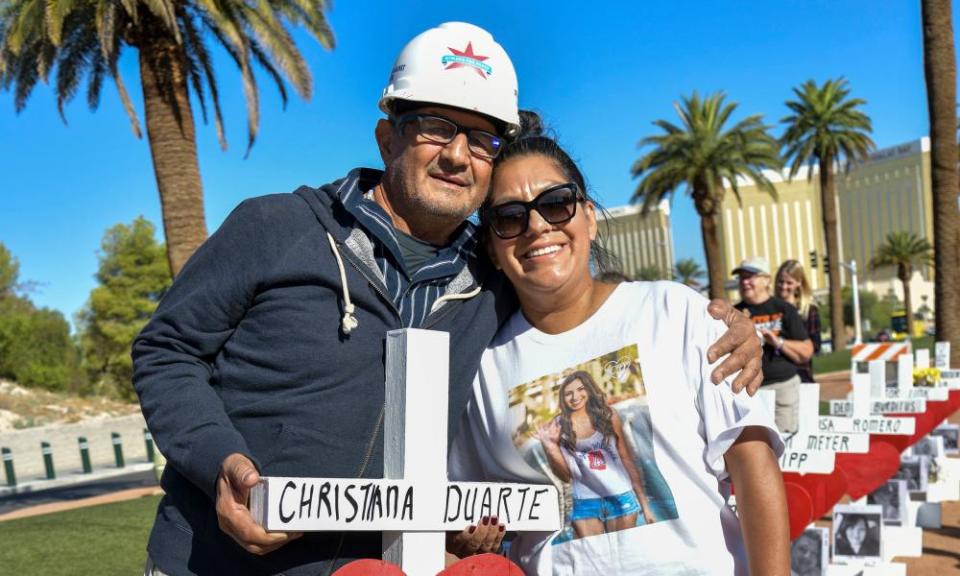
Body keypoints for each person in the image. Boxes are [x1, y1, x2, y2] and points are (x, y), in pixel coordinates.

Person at [133, 23, 765, 576]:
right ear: (387, 138)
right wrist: (221, 465)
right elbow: (166, 351)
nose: (459, 154)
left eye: (483, 138)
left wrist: (723, 324)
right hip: (211, 562)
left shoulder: (491, 281)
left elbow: (580, 309)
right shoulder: (276, 228)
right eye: (436, 128)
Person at [449, 131, 790, 575]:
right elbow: (463, 509)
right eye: (509, 217)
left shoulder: (674, 310)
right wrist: (467, 534)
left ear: (589, 217)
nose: (536, 227)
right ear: (493, 249)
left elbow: (751, 461)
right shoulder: (483, 367)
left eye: (555, 204)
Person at [535, 371, 655, 539]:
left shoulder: (608, 415)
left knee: (624, 556)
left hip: (620, 495)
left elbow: (626, 458)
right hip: (585, 501)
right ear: (563, 398)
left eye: (580, 389)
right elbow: (566, 476)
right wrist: (551, 447)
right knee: (593, 560)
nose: (575, 396)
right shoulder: (559, 425)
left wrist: (645, 504)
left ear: (589, 390)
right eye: (568, 393)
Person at [734, 257, 814, 434]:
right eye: (741, 278)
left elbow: (806, 352)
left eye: (750, 276)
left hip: (782, 388)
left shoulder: (784, 309)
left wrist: (778, 342)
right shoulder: (734, 314)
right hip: (747, 393)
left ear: (766, 280)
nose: (745, 282)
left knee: (783, 445)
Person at [776, 260, 821, 382]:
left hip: (801, 376)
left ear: (799, 283)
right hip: (773, 377)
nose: (784, 286)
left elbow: (815, 346)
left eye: (789, 282)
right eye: (781, 282)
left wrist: (780, 344)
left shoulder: (808, 310)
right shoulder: (770, 308)